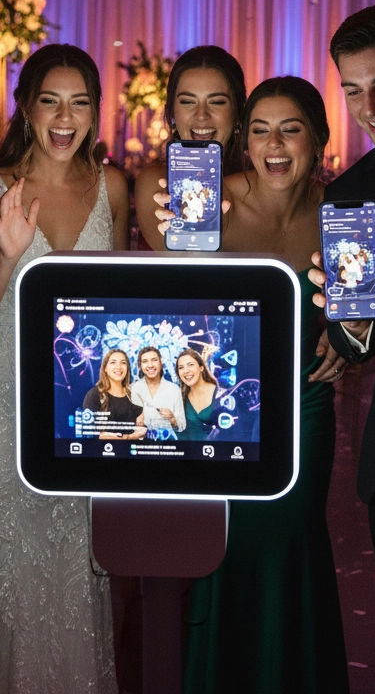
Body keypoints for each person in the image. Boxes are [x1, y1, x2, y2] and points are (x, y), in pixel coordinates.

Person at [157, 75, 349, 693]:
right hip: (222, 418)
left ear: (318, 139)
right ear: (243, 142)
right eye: (260, 130)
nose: (274, 144)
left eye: (290, 129)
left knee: (293, 546)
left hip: (305, 411)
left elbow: (365, 323)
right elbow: (175, 312)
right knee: (224, 551)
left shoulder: (342, 218)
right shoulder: (210, 205)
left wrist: (352, 344)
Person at [0, 43, 129, 694]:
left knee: (76, 571)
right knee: (12, 572)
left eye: (80, 102)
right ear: (26, 106)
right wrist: (6, 257)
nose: (64, 116)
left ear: (94, 113)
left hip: (84, 409)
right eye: (50, 99)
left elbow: (121, 305)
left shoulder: (113, 186)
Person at [308, 4, 375, 664]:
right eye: (353, 89)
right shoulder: (347, 198)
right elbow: (360, 345)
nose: (371, 107)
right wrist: (350, 327)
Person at [135, 46, 247, 251]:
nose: (201, 115)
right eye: (187, 102)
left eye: (217, 102)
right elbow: (184, 268)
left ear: (238, 113)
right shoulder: (155, 183)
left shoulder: (257, 182)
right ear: (172, 113)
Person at [82, 349, 146, 439]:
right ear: (105, 368)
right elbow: (90, 433)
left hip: (131, 450)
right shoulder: (94, 395)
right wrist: (125, 438)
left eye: (123, 363)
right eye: (113, 362)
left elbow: (141, 429)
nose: (118, 367)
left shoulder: (135, 395)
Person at [129, 345, 185, 435]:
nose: (150, 365)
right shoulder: (133, 389)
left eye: (154, 360)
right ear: (140, 365)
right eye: (145, 361)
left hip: (167, 444)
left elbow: (182, 426)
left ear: (161, 362)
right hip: (140, 445)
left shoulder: (174, 389)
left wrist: (172, 419)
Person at [175, 349, 220, 441]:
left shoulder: (220, 393)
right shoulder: (181, 399)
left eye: (190, 365)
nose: (186, 371)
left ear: (201, 367)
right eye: (181, 367)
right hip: (188, 452)